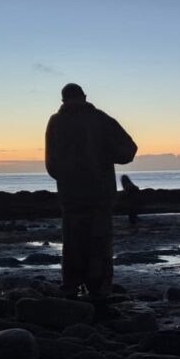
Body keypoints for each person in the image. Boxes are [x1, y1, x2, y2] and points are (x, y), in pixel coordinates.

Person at [45, 83, 137, 298]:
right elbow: (128, 151)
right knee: (100, 242)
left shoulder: (56, 122)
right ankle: (99, 288)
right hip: (100, 194)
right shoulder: (100, 119)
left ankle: (71, 286)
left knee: (72, 243)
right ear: (84, 97)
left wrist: (67, 174)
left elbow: (52, 165)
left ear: (62, 100)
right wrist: (105, 153)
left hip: (71, 196)